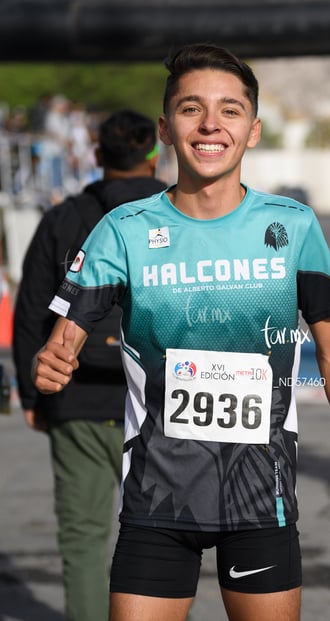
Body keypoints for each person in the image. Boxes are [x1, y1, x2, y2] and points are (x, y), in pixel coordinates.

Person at [32, 44, 330, 621]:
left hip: (261, 501)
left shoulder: (291, 226)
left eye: (230, 110)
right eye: (192, 109)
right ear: (166, 129)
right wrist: (52, 357)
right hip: (155, 503)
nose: (211, 124)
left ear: (254, 129)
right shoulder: (124, 229)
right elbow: (65, 336)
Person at [13, 108, 166, 621]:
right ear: (154, 153)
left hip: (76, 399)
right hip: (162, 403)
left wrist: (34, 396)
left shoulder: (62, 220)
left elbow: (32, 312)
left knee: (83, 540)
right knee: (164, 541)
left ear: (97, 156)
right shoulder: (178, 215)